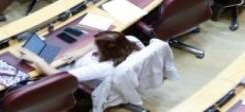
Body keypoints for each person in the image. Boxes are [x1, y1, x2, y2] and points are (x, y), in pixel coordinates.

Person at [18, 31, 174, 112]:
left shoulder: (102, 68)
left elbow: (58, 77)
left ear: (105, 52)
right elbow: (95, 43)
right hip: (79, 62)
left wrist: (36, 60)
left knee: (27, 72)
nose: (94, 46)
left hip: (71, 74)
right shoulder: (130, 41)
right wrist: (79, 52)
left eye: (98, 47)